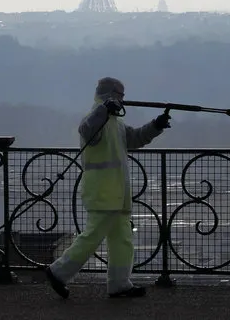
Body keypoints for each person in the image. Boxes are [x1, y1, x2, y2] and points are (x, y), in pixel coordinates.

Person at [45, 77, 171, 299]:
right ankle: (58, 271)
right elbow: (87, 130)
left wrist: (156, 126)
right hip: (103, 192)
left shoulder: (115, 123)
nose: (123, 100)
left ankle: (119, 283)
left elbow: (135, 138)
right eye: (121, 96)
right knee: (93, 236)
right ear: (111, 95)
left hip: (116, 193)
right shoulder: (97, 118)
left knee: (121, 238)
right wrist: (103, 110)